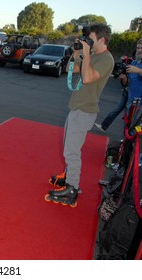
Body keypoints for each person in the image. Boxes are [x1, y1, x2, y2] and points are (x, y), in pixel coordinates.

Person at [48, 23, 114, 206]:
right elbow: (73, 69)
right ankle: (70, 178)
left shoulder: (107, 59)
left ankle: (72, 188)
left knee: (71, 151)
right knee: (67, 146)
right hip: (77, 107)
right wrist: (78, 52)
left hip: (85, 110)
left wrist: (86, 54)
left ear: (101, 39)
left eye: (91, 40)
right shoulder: (92, 55)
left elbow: (87, 78)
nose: (89, 43)